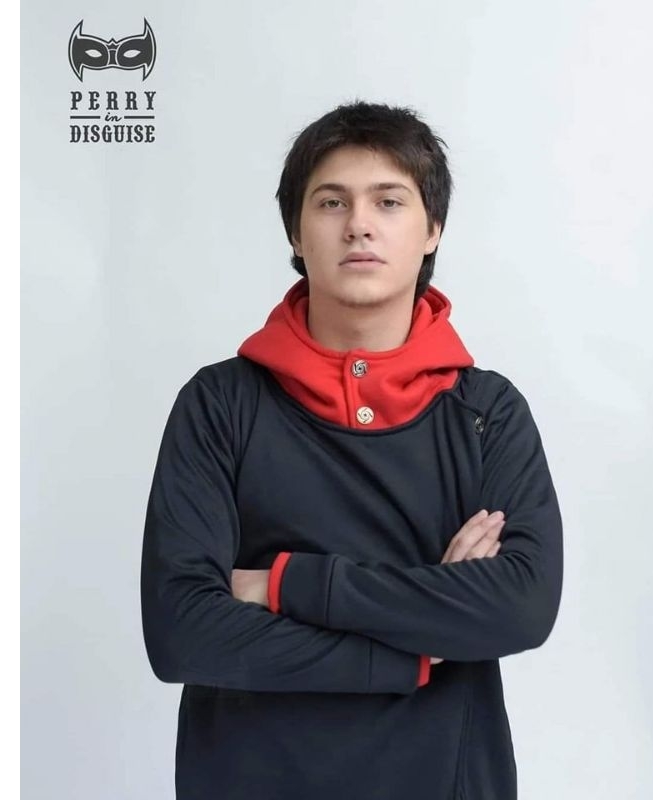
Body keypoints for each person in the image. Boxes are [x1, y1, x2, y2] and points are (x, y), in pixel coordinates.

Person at [140, 100, 564, 800]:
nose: (359, 224)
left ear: (432, 229)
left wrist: (280, 586)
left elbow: (519, 606)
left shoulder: (487, 413)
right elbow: (183, 632)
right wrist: (417, 646)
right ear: (296, 233)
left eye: (388, 202)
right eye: (331, 202)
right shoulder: (220, 404)